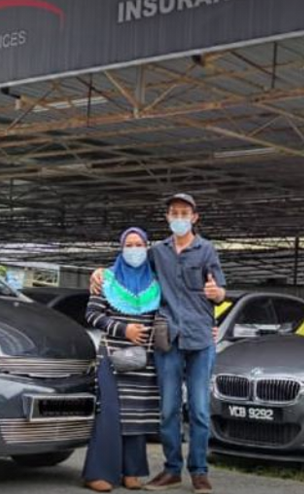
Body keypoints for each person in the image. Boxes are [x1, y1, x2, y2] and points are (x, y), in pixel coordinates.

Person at [91, 194, 226, 494]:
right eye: (174, 212)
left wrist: (217, 294)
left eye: (184, 212)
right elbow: (132, 269)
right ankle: (171, 470)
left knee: (201, 410)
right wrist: (99, 272)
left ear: (194, 217)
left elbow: (220, 291)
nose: (179, 217)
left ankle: (200, 471)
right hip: (168, 339)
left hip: (201, 339)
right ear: (167, 217)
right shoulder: (157, 252)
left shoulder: (207, 250)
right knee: (167, 409)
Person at [83, 227, 162, 493]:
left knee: (137, 416)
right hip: (113, 358)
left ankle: (132, 470)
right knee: (111, 414)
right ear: (121, 247)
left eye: (139, 244)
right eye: (129, 244)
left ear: (147, 247)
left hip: (144, 361)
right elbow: (93, 315)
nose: (134, 249)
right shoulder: (106, 279)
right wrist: (123, 329)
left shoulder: (156, 282)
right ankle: (99, 471)